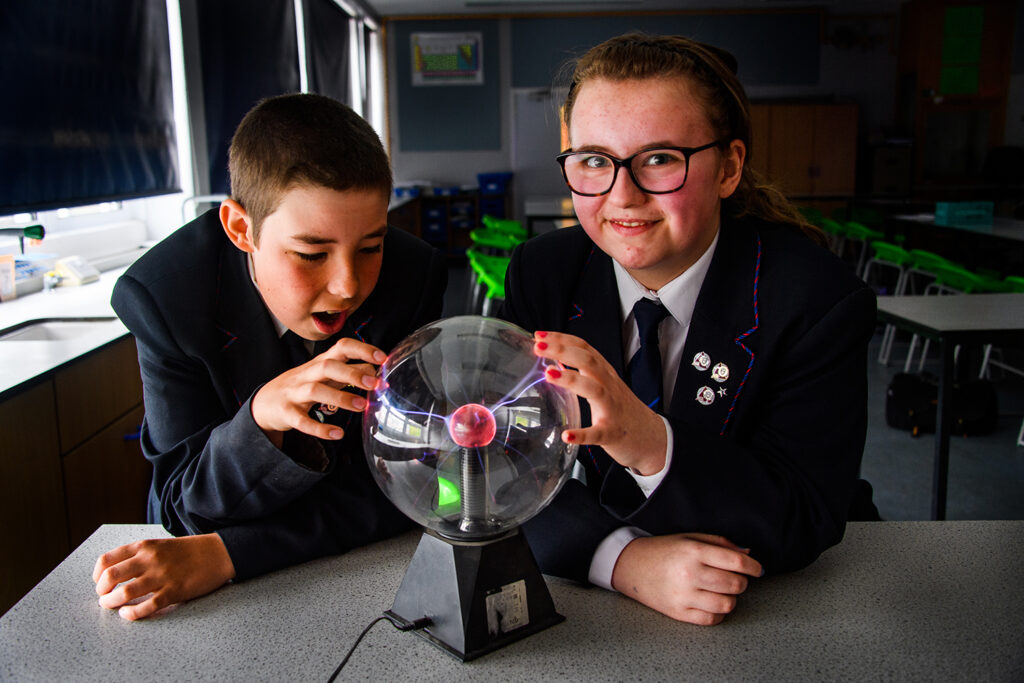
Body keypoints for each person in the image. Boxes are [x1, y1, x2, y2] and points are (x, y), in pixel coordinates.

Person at [500, 33, 878, 626]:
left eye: (659, 159)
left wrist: (648, 441)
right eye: (596, 160)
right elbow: (497, 465)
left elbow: (804, 512)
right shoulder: (545, 272)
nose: (622, 196)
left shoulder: (813, 298)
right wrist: (619, 560)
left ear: (728, 168)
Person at [92, 93, 447, 620]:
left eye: (371, 246)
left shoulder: (412, 276)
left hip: (367, 579)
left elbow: (419, 481)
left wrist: (231, 553)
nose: (348, 286)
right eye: (311, 254)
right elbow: (181, 508)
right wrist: (259, 421)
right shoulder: (166, 298)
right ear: (241, 230)